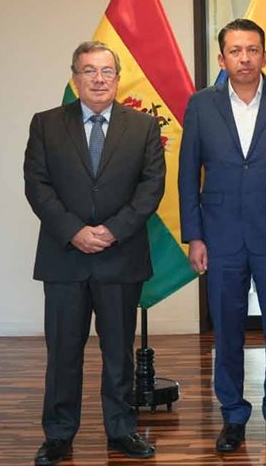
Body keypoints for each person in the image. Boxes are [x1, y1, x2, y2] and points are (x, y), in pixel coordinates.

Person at [178, 18, 266, 452]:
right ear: (222, 58)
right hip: (219, 237)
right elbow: (187, 176)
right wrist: (194, 236)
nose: (245, 58)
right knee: (227, 332)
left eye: (252, 49)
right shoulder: (201, 105)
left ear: (264, 55)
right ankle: (233, 416)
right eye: (236, 51)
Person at [24, 41, 164, 465]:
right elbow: (37, 186)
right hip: (65, 256)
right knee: (63, 352)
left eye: (107, 71)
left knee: (118, 353)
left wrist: (111, 231)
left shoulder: (142, 126)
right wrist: (75, 232)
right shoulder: (46, 124)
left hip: (120, 256)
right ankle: (59, 434)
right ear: (75, 77)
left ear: (118, 78)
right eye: (89, 71)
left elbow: (150, 188)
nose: (99, 79)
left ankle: (121, 430)